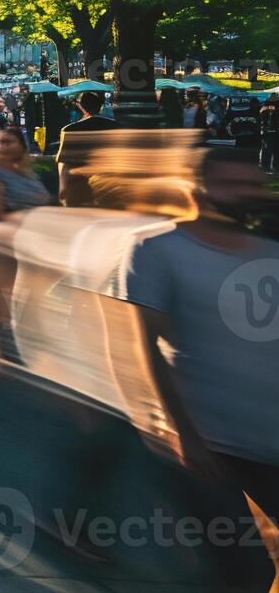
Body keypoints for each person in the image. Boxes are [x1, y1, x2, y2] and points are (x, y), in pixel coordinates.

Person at [107, 148, 279, 587]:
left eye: (255, 185)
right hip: (206, 441)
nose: (249, 195)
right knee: (245, 571)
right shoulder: (157, 248)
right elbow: (143, 345)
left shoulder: (270, 250)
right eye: (234, 185)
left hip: (270, 437)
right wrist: (182, 433)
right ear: (198, 190)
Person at [0, 128, 54, 375]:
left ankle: (20, 344)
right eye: (0, 142)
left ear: (21, 145)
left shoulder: (28, 174)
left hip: (28, 243)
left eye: (9, 142)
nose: (3, 146)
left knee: (17, 295)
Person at [56, 90, 119, 207]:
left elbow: (65, 164)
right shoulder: (116, 126)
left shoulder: (70, 129)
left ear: (81, 107)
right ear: (101, 106)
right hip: (112, 186)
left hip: (81, 189)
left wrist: (63, 190)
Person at [261, 95, 278, 175]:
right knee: (269, 149)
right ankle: (267, 166)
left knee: (272, 149)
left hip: (273, 130)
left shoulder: (268, 104)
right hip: (269, 131)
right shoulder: (267, 104)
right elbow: (262, 113)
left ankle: (272, 166)